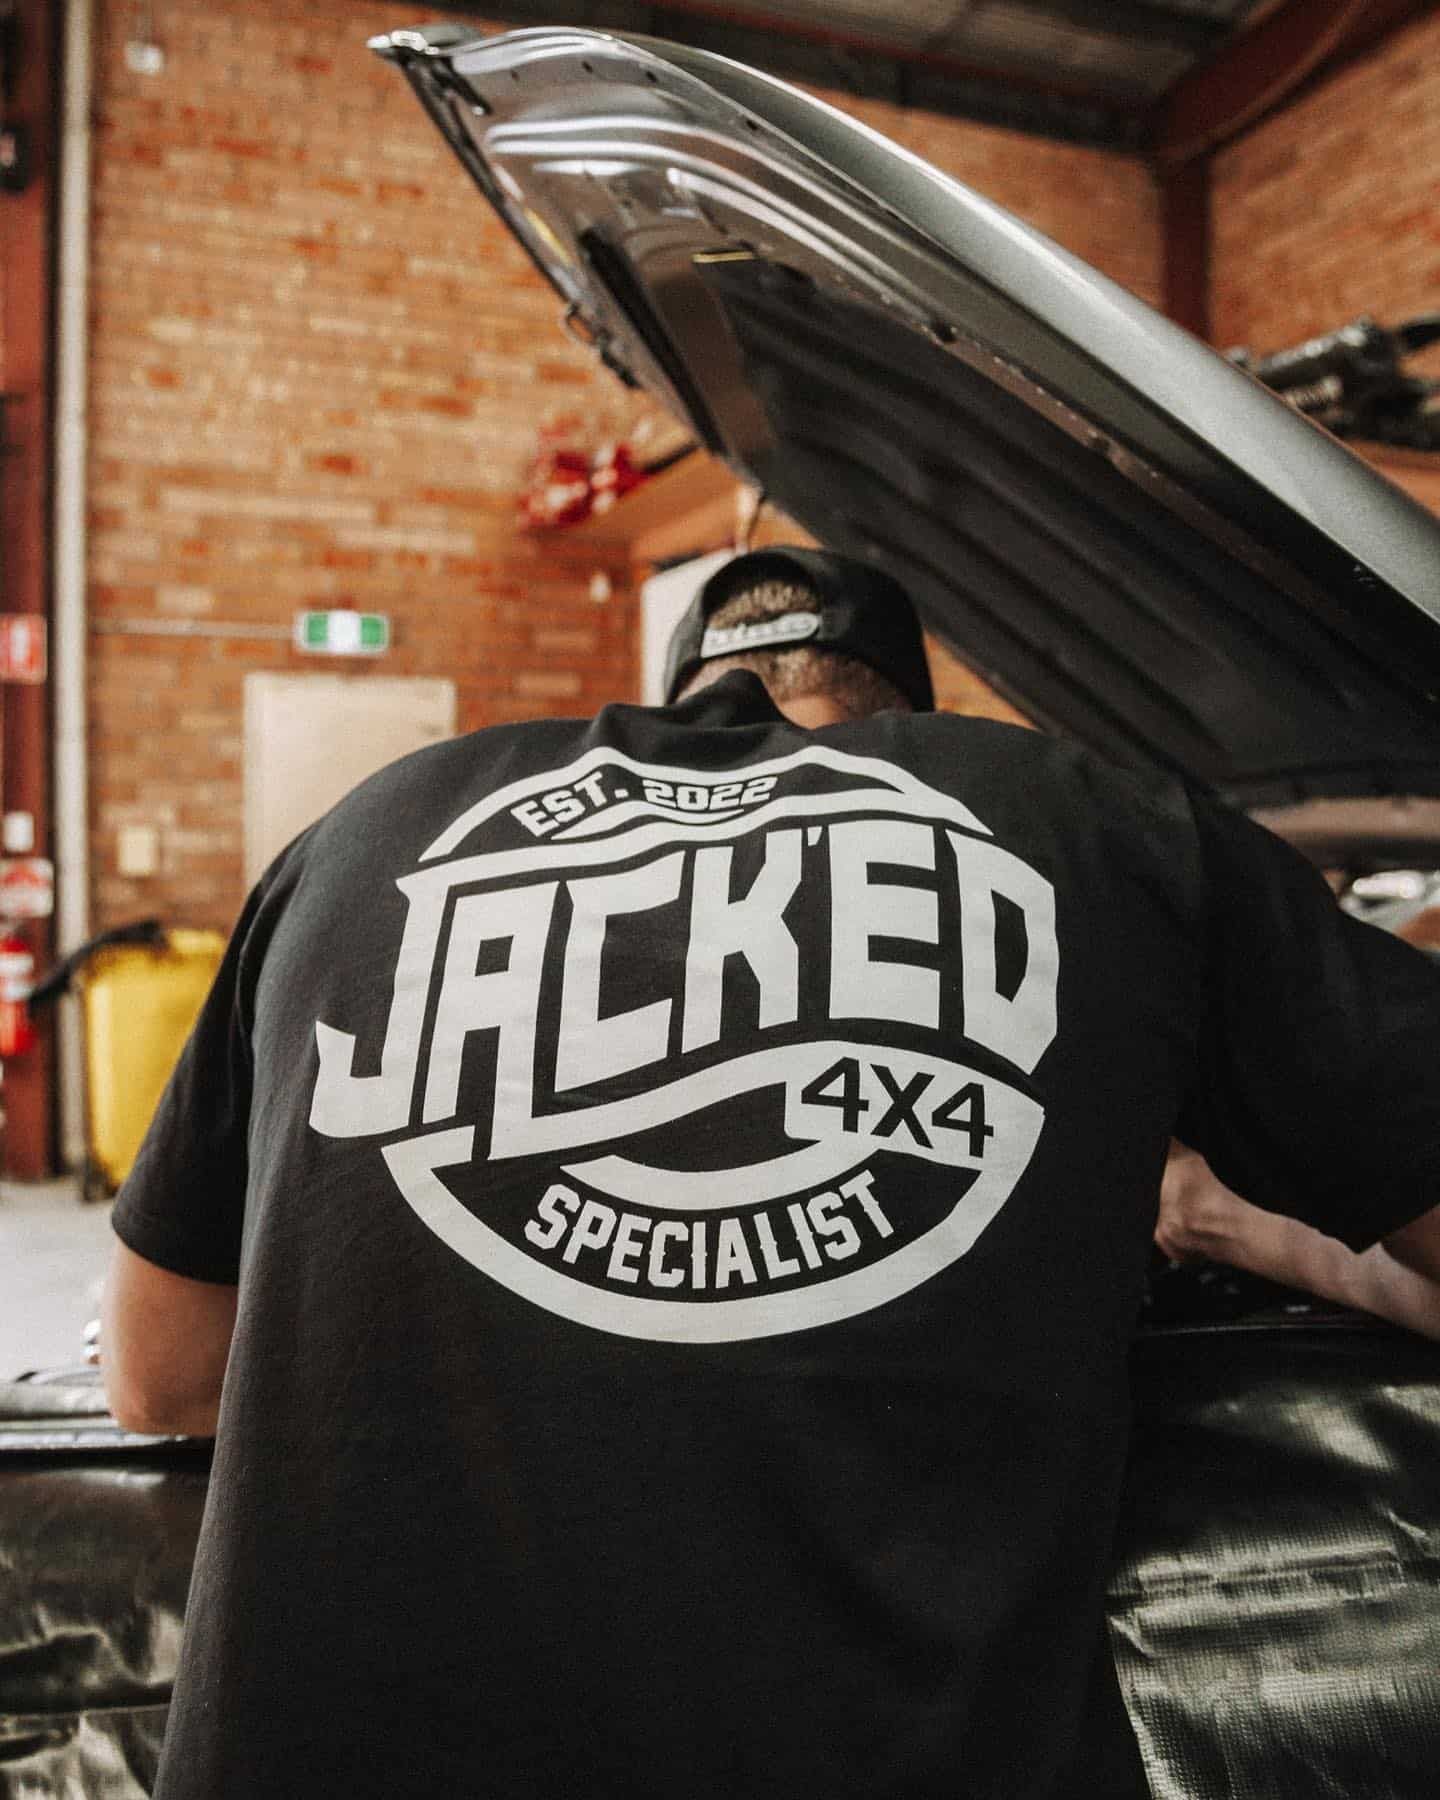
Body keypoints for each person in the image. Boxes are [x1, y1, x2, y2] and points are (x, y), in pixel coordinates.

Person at [103, 546, 1440, 1800]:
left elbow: (157, 1372)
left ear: (673, 698)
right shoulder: (1106, 820)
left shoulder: (359, 835)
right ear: (908, 721)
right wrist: (1220, 1211)